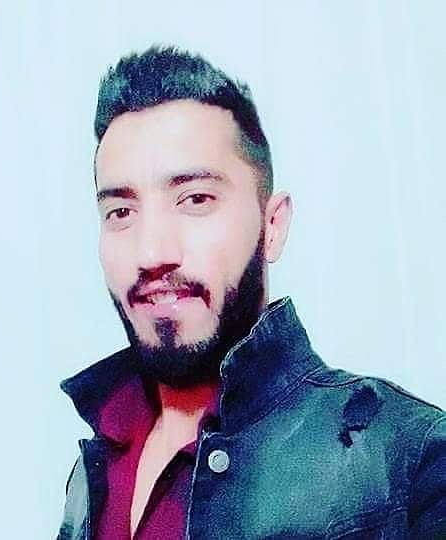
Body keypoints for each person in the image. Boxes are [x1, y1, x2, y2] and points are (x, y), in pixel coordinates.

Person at [56, 46, 445, 539]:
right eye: (121, 212)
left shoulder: (409, 459)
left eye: (195, 199)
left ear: (272, 226)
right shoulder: (93, 469)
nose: (152, 251)